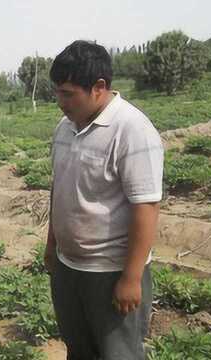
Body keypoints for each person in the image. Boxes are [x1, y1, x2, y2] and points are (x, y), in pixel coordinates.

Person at [44, 41, 163, 360]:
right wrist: (51, 244)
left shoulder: (132, 129)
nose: (60, 102)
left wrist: (131, 277)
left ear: (99, 87)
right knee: (78, 348)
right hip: (69, 267)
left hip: (110, 272)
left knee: (118, 353)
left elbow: (146, 206)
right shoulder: (64, 128)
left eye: (68, 93)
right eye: (57, 91)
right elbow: (61, 187)